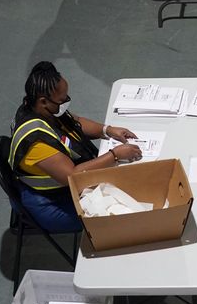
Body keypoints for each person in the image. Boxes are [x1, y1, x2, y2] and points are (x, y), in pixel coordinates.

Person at [8, 62, 142, 232]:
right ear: (43, 101)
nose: (66, 103)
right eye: (62, 100)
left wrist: (107, 130)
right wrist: (114, 155)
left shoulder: (41, 108)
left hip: (64, 189)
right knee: (116, 217)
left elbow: (75, 122)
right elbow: (72, 176)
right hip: (51, 203)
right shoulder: (36, 142)